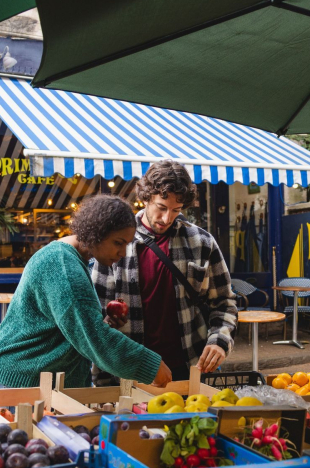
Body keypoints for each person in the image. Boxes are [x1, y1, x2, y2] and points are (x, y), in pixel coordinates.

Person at [0, 195, 172, 390]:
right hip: (15, 382)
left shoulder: (70, 260)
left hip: (31, 381)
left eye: (126, 245)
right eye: (118, 243)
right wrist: (151, 365)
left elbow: (71, 329)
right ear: (96, 233)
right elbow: (95, 339)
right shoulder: (63, 266)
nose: (122, 253)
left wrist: (97, 324)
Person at [92, 161, 237, 385]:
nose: (167, 218)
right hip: (129, 370)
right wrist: (109, 321)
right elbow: (94, 318)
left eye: (176, 210)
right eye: (161, 207)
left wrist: (219, 341)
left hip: (188, 368)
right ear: (146, 198)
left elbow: (224, 303)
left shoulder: (202, 242)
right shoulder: (115, 242)